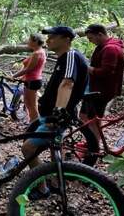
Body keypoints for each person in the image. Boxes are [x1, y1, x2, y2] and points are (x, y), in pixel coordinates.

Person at [21, 26, 88, 198]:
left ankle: (42, 188)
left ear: (66, 39)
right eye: (48, 37)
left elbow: (67, 84)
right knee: (54, 147)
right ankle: (56, 182)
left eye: (53, 37)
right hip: (52, 114)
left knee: (28, 148)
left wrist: (57, 113)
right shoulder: (63, 59)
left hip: (56, 116)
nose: (49, 40)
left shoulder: (71, 56)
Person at [80, 24, 124, 155]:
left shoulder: (111, 49)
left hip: (101, 91)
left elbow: (106, 71)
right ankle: (92, 142)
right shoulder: (103, 47)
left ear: (100, 34)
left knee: (93, 119)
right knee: (84, 116)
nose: (90, 41)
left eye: (91, 38)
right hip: (93, 89)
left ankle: (94, 147)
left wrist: (88, 69)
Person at [13, 33, 46, 123]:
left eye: (30, 40)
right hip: (31, 80)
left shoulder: (37, 53)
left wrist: (14, 76)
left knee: (32, 105)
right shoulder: (39, 51)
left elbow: (29, 69)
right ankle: (32, 122)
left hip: (33, 81)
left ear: (35, 41)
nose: (28, 41)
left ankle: (35, 125)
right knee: (28, 103)